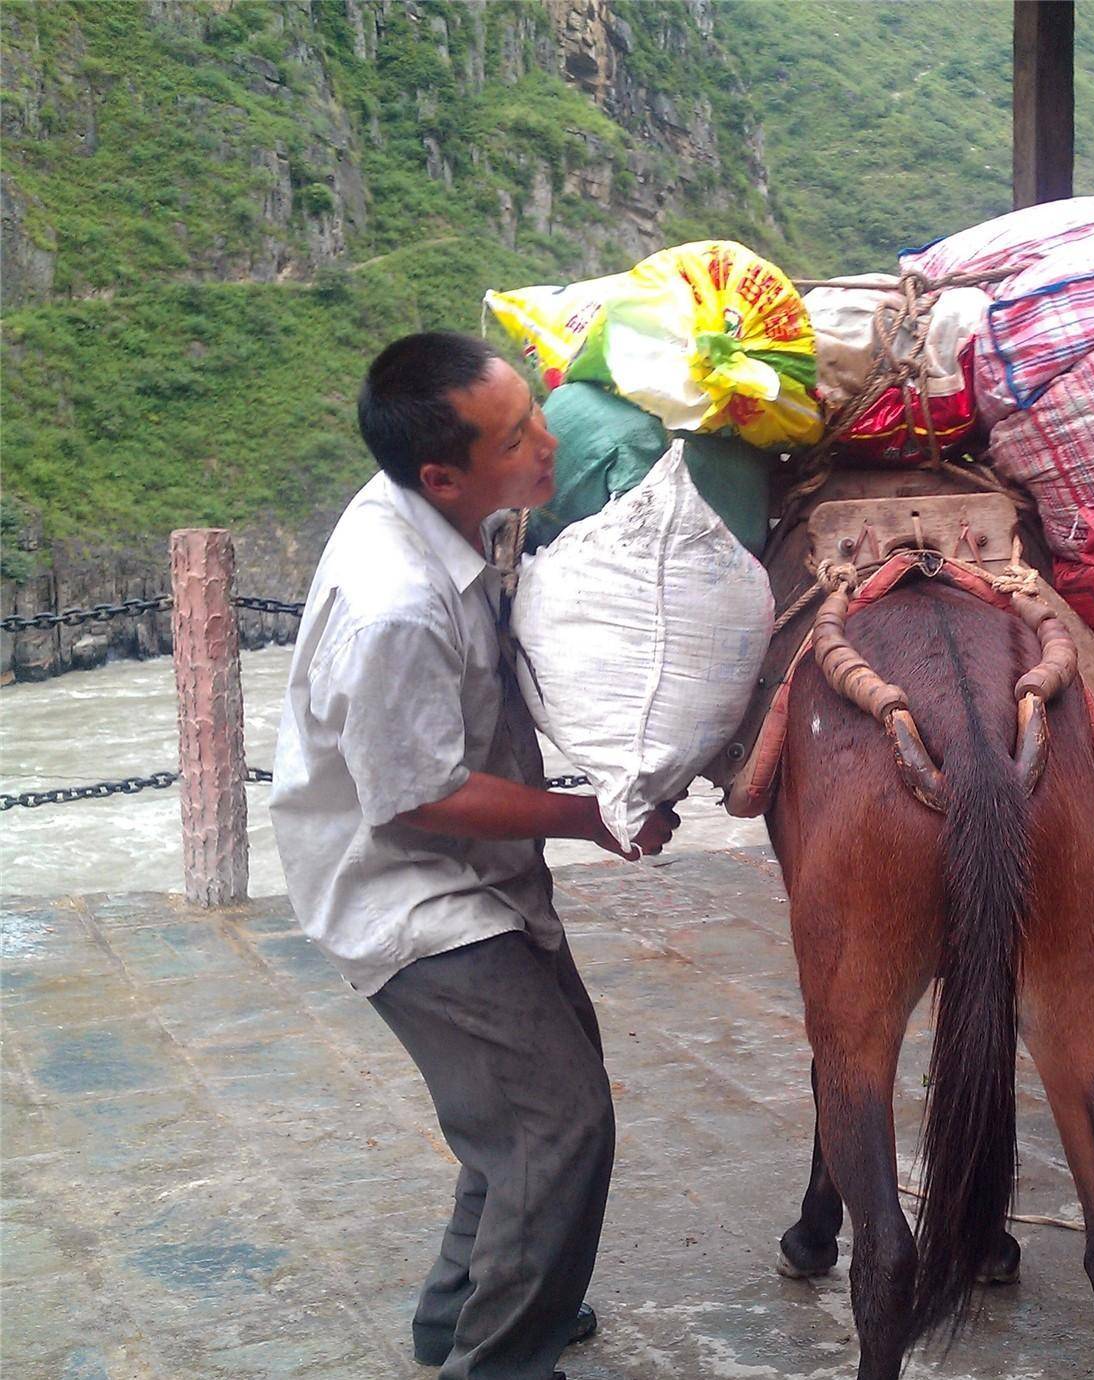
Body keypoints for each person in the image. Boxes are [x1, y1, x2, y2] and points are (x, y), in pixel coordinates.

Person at [270, 331, 674, 1380]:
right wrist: (589, 815)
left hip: (478, 877)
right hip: (403, 890)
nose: (546, 446)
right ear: (443, 475)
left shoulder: (450, 508)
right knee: (561, 1121)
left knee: (523, 1110)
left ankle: (457, 1317)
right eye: (516, 439)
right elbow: (419, 798)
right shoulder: (394, 603)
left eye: (536, 413)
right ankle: (496, 1358)